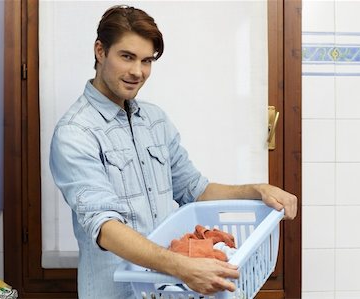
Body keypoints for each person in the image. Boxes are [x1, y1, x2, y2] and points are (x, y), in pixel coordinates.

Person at [49, 5, 297, 299]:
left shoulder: (155, 121)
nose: (137, 71)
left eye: (146, 61)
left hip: (173, 292)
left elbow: (196, 189)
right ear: (100, 51)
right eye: (126, 57)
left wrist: (256, 190)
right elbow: (105, 227)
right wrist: (183, 267)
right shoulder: (75, 133)